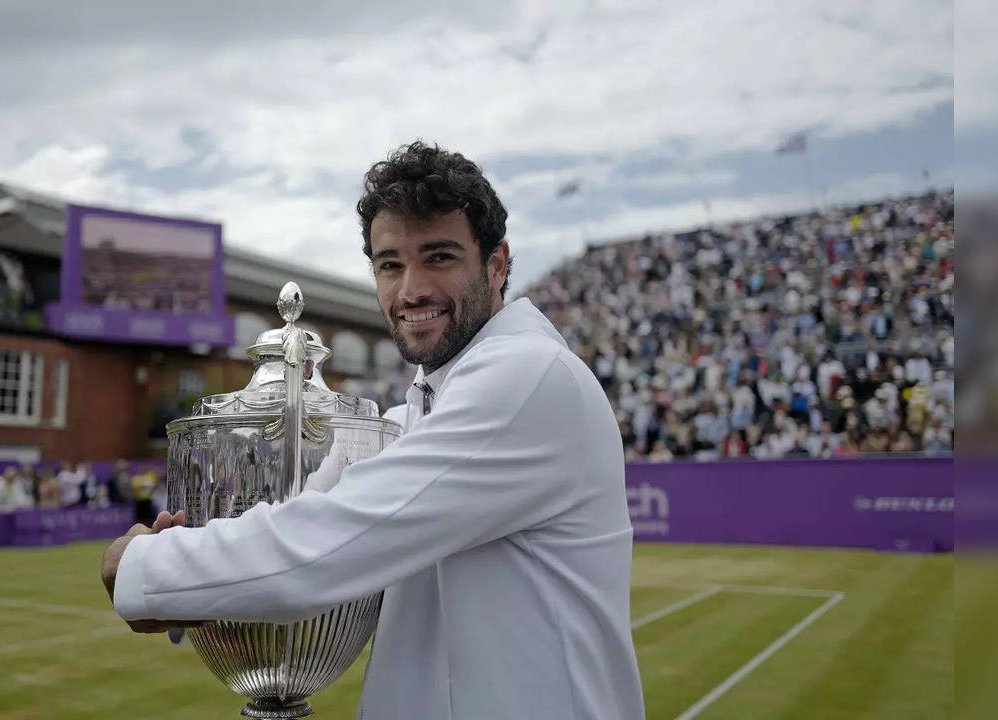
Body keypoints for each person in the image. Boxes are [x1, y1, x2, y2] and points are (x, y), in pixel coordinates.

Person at [102, 141, 645, 719]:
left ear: (496, 264)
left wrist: (146, 564)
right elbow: (302, 531)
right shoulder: (407, 420)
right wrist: (199, 574)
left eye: (439, 257)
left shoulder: (530, 376)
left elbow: (329, 540)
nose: (411, 289)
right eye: (390, 264)